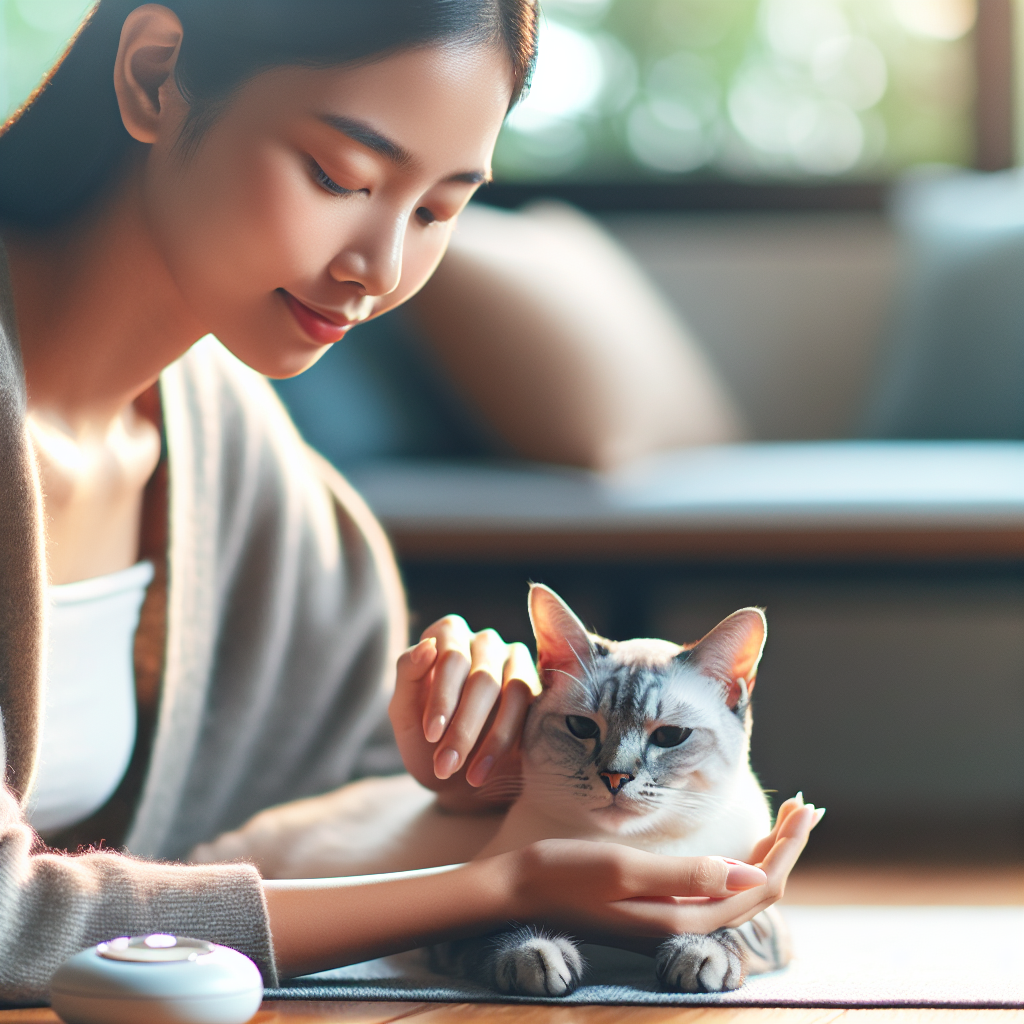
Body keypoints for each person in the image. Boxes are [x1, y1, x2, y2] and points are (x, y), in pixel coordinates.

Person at [0, 0, 820, 1000]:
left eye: (437, 209)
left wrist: (464, 774)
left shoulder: (256, 478)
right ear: (154, 76)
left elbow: (279, 825)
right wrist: (496, 884)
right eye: (340, 176)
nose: (379, 271)